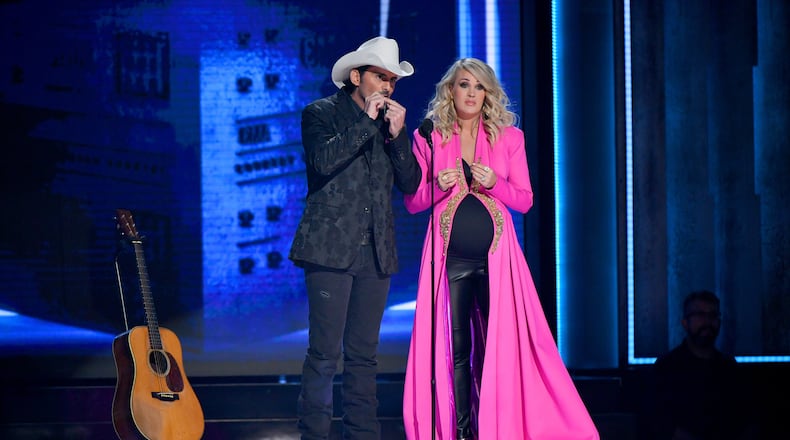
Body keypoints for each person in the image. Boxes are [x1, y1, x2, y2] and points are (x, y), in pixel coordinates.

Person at [401, 57, 599, 439]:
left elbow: (525, 201)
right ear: (451, 90)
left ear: (488, 93)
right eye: (463, 85)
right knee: (455, 350)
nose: (471, 93)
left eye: (478, 86)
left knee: (498, 348)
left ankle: (501, 428)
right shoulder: (431, 136)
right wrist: (439, 185)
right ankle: (462, 432)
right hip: (450, 261)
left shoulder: (509, 138)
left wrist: (494, 182)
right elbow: (413, 202)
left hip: (497, 261)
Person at [288, 36, 421, 440]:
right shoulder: (321, 113)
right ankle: (314, 434)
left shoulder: (387, 127)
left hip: (376, 252)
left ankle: (363, 434)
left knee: (364, 356)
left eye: (393, 81)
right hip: (329, 249)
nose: (388, 86)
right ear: (356, 76)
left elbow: (412, 183)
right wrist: (367, 122)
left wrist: (398, 136)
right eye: (381, 77)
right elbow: (323, 161)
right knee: (325, 354)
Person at [651, 290, 759, 440]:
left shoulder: (729, 368)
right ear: (685, 323)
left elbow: (748, 419)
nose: (707, 322)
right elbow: (659, 422)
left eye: (713, 315)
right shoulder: (666, 368)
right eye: (700, 315)